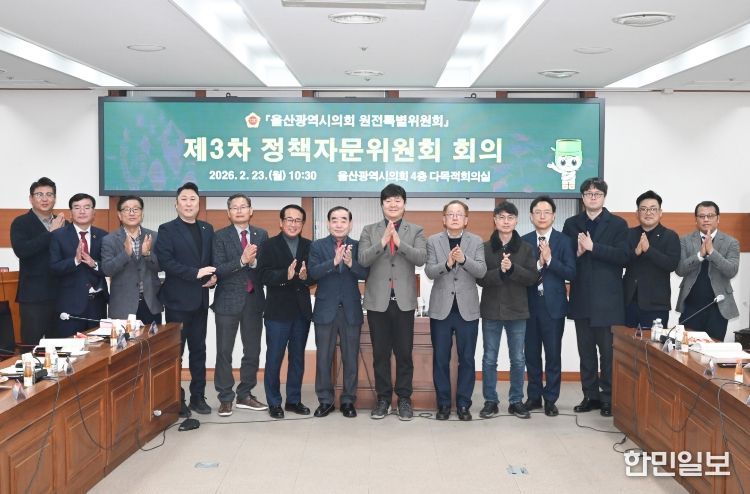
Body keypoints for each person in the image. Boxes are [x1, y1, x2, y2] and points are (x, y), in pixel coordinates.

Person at [359, 183, 426, 421]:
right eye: (388, 201)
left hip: (404, 302)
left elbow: (421, 258)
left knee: (404, 354)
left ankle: (404, 399)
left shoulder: (415, 230)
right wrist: (382, 242)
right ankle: (383, 399)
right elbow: (363, 259)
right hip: (378, 302)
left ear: (404, 204)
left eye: (398, 200)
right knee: (380, 354)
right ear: (382, 205)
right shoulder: (369, 230)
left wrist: (399, 242)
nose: (393, 204)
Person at [562, 177, 628, 417]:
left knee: (608, 354)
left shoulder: (618, 224)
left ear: (604, 197)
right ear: (582, 198)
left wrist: (594, 248)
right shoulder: (571, 224)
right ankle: (590, 396)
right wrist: (578, 253)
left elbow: (624, 257)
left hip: (608, 301)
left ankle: (608, 398)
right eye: (588, 193)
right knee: (586, 353)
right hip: (581, 298)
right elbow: (564, 259)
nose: (593, 197)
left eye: (597, 193)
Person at [155, 182, 216, 417]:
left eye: (193, 199)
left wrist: (213, 278)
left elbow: (211, 261)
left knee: (199, 350)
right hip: (177, 302)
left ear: (198, 204)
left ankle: (198, 397)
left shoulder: (207, 229)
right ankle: (176, 398)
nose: (189, 203)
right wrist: (196, 273)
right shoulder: (167, 229)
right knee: (176, 353)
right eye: (184, 199)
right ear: (176, 204)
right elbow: (166, 262)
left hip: (200, 300)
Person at [424, 200, 486, 421]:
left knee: (467, 359)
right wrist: (448, 263)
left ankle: (463, 404)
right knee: (440, 359)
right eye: (450, 214)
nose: (455, 217)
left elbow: (481, 271)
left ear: (466, 219)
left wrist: (464, 260)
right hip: (441, 309)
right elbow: (429, 271)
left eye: (459, 214)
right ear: (444, 218)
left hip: (467, 310)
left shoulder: (476, 241)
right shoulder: (433, 241)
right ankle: (443, 404)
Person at [477, 201, 537, 420]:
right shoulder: (484, 247)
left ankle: (516, 401)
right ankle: (490, 401)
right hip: (491, 310)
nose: (505, 221)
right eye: (501, 217)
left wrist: (512, 269)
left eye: (510, 217)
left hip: (517, 310)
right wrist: (500, 273)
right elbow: (480, 278)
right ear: (494, 220)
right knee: (489, 359)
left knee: (518, 359)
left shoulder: (526, 248)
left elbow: (532, 278)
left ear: (516, 221)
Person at [308, 206, 369, 418]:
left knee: (350, 358)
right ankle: (325, 400)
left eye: (343, 220)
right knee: (323, 358)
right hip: (325, 310)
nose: (339, 224)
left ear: (350, 224)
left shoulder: (359, 246)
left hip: (351, 310)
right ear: (328, 223)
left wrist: (351, 263)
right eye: (334, 220)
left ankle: (348, 401)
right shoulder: (317, 246)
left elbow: (366, 273)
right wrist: (333, 262)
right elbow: (312, 273)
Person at [211, 194, 268, 417]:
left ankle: (245, 394)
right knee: (224, 351)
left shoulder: (261, 234)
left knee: (252, 350)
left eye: (243, 206)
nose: (239, 210)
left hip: (254, 300)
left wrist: (254, 263)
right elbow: (218, 269)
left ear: (251, 210)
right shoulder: (220, 236)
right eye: (234, 207)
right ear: (228, 212)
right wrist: (242, 261)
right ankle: (225, 398)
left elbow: (266, 268)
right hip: (227, 301)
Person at [521, 196, 576, 417]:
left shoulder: (564, 241)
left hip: (553, 306)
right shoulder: (523, 241)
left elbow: (571, 272)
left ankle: (551, 399)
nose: (542, 216)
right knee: (531, 354)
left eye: (546, 212)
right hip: (529, 305)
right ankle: (534, 396)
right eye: (538, 212)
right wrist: (538, 263)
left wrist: (551, 261)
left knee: (553, 354)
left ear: (554, 216)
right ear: (531, 216)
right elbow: (521, 274)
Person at [258, 204, 314, 419]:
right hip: (277, 312)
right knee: (274, 358)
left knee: (297, 359)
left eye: (298, 220)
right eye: (289, 219)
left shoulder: (309, 246)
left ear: (302, 224)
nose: (293, 224)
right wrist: (285, 275)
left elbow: (314, 275)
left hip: (301, 312)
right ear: (281, 222)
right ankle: (274, 402)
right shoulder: (268, 245)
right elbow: (262, 275)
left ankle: (293, 400)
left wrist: (305, 277)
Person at [10, 177, 66, 345]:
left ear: (55, 198)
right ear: (31, 198)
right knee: (31, 347)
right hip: (33, 297)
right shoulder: (21, 223)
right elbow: (22, 251)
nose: (45, 198)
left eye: (49, 194)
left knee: (59, 348)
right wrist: (51, 233)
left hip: (61, 296)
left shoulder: (64, 223)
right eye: (39, 194)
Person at [676, 201, 740, 341]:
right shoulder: (685, 240)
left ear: (718, 218)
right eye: (702, 216)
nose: (706, 219)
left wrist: (712, 252)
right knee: (687, 349)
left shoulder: (731, 242)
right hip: (691, 306)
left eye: (710, 216)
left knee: (713, 349)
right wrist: (700, 255)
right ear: (696, 219)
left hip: (718, 308)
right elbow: (680, 270)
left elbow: (732, 271)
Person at [49, 193, 109, 337]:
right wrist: (75, 261)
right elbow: (53, 268)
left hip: (97, 305)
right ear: (71, 213)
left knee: (98, 347)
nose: (82, 211)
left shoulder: (103, 236)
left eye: (87, 207)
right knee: (71, 348)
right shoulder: (58, 235)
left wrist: (94, 264)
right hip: (70, 306)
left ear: (94, 212)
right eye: (77, 207)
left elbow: (109, 267)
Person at [622, 190, 680, 328]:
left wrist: (649, 250)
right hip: (628, 302)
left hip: (656, 305)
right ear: (637, 213)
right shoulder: (628, 234)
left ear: (660, 212)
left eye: (653, 209)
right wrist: (636, 252)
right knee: (625, 341)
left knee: (653, 342)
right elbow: (620, 261)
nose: (648, 213)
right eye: (643, 209)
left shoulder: (670, 236)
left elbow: (672, 264)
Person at [101, 195, 163, 324]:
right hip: (123, 306)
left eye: (136, 209)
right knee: (125, 338)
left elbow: (161, 267)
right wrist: (125, 254)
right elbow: (107, 270)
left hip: (150, 304)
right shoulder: (109, 240)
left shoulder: (154, 236)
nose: (131, 213)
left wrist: (147, 254)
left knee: (154, 338)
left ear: (142, 213)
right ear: (119, 215)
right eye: (127, 209)